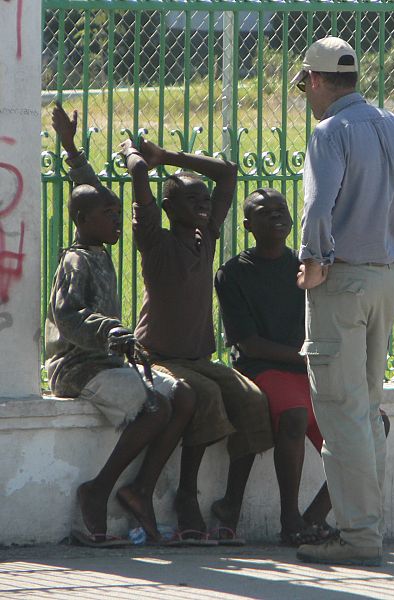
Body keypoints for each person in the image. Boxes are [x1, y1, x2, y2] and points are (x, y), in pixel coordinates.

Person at [291, 36, 394, 566]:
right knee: (364, 408)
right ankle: (367, 527)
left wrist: (314, 260)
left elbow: (319, 206)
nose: (307, 96)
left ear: (317, 81)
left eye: (306, 87)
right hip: (389, 278)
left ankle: (359, 536)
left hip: (341, 282)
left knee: (340, 412)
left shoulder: (330, 131)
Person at [48, 104, 197, 547]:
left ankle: (140, 490)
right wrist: (112, 333)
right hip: (78, 367)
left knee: (182, 396)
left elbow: (87, 189)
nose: (117, 218)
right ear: (83, 222)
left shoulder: (98, 245)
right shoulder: (76, 259)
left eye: (118, 211)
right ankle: (98, 490)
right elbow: (67, 314)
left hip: (109, 364)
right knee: (155, 407)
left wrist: (73, 148)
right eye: (109, 214)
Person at [116, 136, 273, 544]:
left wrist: (168, 156)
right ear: (168, 210)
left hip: (199, 357)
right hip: (160, 357)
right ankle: (187, 496)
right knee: (205, 397)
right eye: (191, 200)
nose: (202, 205)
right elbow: (136, 173)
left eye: (205, 200)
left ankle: (229, 506)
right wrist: (135, 155)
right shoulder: (155, 240)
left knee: (254, 401)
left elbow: (227, 174)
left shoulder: (207, 236)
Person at [214, 188, 392, 546]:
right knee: (294, 415)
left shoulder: (305, 269)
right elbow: (248, 344)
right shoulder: (233, 273)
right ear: (248, 225)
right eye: (265, 212)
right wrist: (305, 357)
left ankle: (314, 516)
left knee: (375, 422)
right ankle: (289, 519)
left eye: (281, 209)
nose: (276, 216)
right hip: (263, 369)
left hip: (309, 369)